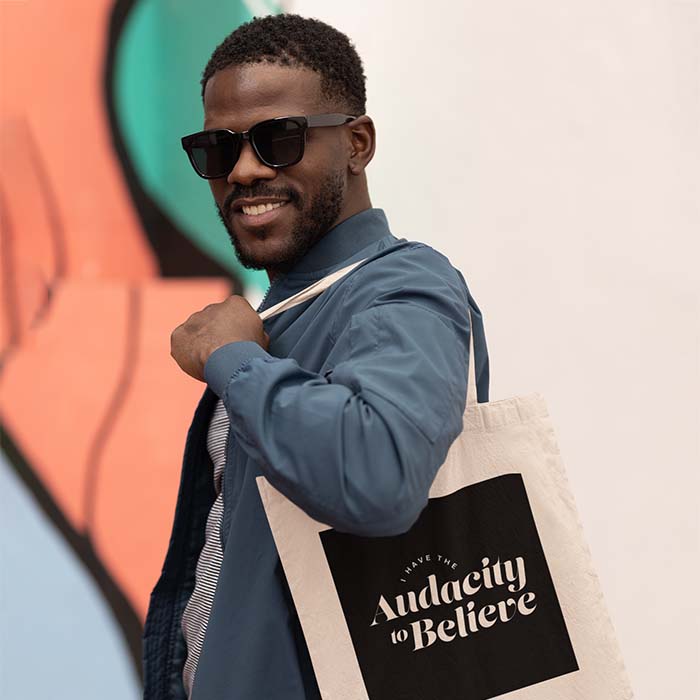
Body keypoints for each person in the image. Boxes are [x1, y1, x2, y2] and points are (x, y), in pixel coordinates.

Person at [143, 13, 483, 700]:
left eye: (277, 139)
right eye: (219, 148)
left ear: (357, 143)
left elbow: (378, 474)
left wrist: (234, 359)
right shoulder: (293, 311)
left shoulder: (403, 288)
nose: (242, 169)